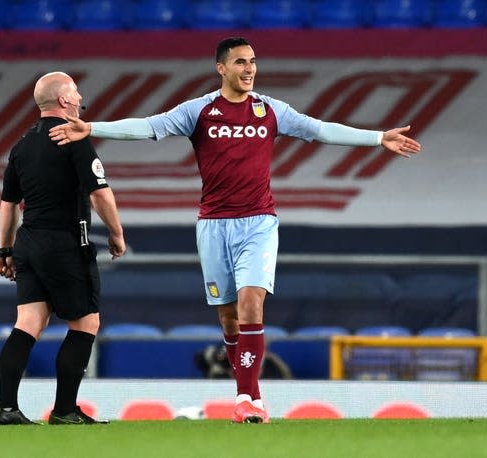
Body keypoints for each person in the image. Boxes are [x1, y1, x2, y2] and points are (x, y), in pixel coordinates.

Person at [49, 37, 421, 423]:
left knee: (250, 303)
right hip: (213, 226)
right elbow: (147, 126)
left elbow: (321, 129)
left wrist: (378, 138)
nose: (249, 69)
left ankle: (250, 398)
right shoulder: (199, 111)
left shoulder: (272, 110)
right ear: (221, 68)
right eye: (241, 62)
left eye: (253, 62)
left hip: (259, 222)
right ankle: (244, 390)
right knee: (228, 317)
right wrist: (92, 127)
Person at [0, 71, 126, 426]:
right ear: (64, 101)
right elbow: (99, 194)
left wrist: (5, 250)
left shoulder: (21, 145)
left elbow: (8, 204)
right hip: (66, 242)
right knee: (86, 323)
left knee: (28, 322)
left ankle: (6, 408)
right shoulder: (75, 139)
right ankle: (65, 410)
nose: (81, 99)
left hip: (29, 242)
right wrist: (116, 233)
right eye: (76, 94)